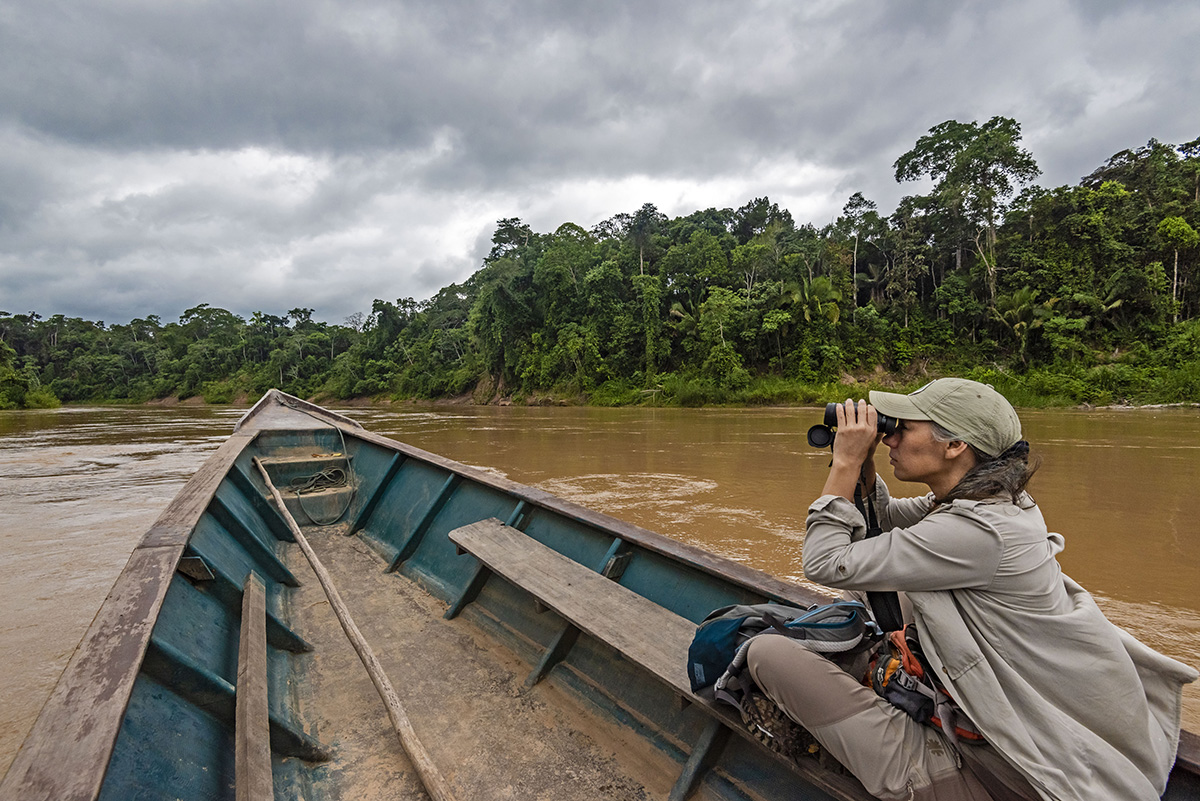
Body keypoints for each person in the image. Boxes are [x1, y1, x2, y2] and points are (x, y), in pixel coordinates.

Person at [745, 378, 1197, 801]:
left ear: (956, 445)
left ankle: (914, 768)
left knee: (767, 654)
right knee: (886, 600)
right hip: (1010, 726)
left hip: (1013, 768)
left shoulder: (977, 533)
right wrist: (861, 472)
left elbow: (825, 561)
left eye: (902, 429)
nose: (890, 439)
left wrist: (843, 462)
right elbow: (890, 524)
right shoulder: (993, 501)